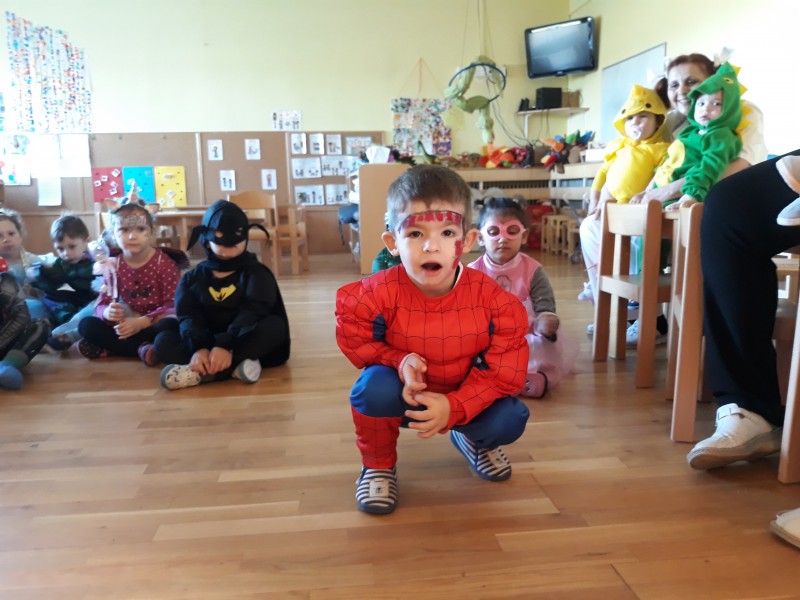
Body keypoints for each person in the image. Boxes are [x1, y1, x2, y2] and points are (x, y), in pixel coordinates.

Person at [335, 165, 530, 515]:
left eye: (447, 232)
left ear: (466, 241)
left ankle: (473, 441)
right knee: (370, 388)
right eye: (414, 233)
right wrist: (398, 360)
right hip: (403, 395)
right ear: (393, 243)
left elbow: (505, 373)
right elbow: (356, 339)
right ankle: (377, 465)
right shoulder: (375, 293)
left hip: (468, 395)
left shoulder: (495, 301)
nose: (430, 246)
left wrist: (455, 407)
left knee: (509, 417)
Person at [582, 52, 768, 346]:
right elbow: (659, 165)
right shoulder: (676, 123)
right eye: (673, 85)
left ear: (713, 80)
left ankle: (652, 315)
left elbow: (737, 166)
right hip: (675, 204)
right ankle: (622, 309)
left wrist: (667, 191)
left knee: (650, 231)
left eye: (691, 82)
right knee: (594, 226)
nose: (681, 91)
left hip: (722, 205)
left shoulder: (741, 110)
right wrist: (618, 195)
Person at [157, 200, 291, 390]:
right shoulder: (192, 278)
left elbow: (254, 310)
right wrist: (199, 348)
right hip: (206, 338)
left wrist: (226, 345)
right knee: (163, 338)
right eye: (221, 238)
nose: (231, 245)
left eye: (237, 238)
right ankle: (233, 367)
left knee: (275, 327)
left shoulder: (256, 273)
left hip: (241, 339)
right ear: (206, 239)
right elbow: (189, 315)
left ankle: (202, 372)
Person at [468, 197, 576, 398]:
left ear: (524, 236)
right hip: (488, 333)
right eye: (494, 232)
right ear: (480, 238)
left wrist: (546, 319)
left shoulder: (533, 270)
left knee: (537, 346)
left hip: (525, 332)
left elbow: (545, 303)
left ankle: (531, 378)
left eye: (512, 231)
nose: (503, 239)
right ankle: (491, 378)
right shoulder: (472, 272)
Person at [579, 84, 670, 308]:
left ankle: (633, 298)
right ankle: (598, 284)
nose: (635, 122)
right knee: (588, 227)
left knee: (636, 241)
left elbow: (660, 176)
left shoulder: (662, 149)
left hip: (639, 210)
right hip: (612, 208)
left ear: (658, 121)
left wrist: (646, 193)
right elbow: (603, 172)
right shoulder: (618, 146)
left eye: (643, 116)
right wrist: (595, 200)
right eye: (630, 118)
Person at [77, 200, 182, 361]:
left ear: (151, 232)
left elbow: (172, 305)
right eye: (124, 230)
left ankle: (116, 347)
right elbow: (102, 302)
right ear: (113, 234)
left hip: (154, 323)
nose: (132, 236)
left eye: (140, 229)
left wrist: (141, 322)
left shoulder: (164, 264)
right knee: (86, 325)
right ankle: (141, 349)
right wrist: (107, 312)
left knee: (170, 327)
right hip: (126, 324)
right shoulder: (113, 265)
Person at [642, 62, 743, 211]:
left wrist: (691, 194)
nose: (706, 108)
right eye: (700, 103)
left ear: (729, 108)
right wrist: (647, 191)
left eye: (716, 104)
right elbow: (668, 161)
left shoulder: (720, 135)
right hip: (659, 196)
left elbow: (711, 166)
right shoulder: (688, 131)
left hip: (684, 198)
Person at [30, 214, 97, 348]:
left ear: (87, 242)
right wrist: (39, 274)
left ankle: (63, 333)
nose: (66, 253)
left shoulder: (95, 262)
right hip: (72, 302)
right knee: (47, 297)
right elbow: (50, 286)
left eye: (72, 246)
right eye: (60, 249)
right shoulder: (60, 263)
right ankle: (54, 327)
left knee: (95, 306)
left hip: (91, 301)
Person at [0, 257, 50, 389]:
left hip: (6, 340)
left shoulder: (6, 282)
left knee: (40, 326)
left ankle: (6, 365)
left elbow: (21, 317)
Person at [0, 208, 48, 320]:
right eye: (0, 236)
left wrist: (35, 291)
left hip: (31, 306)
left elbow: (48, 288)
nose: (6, 239)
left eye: (11, 234)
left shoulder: (33, 261)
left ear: (20, 236)